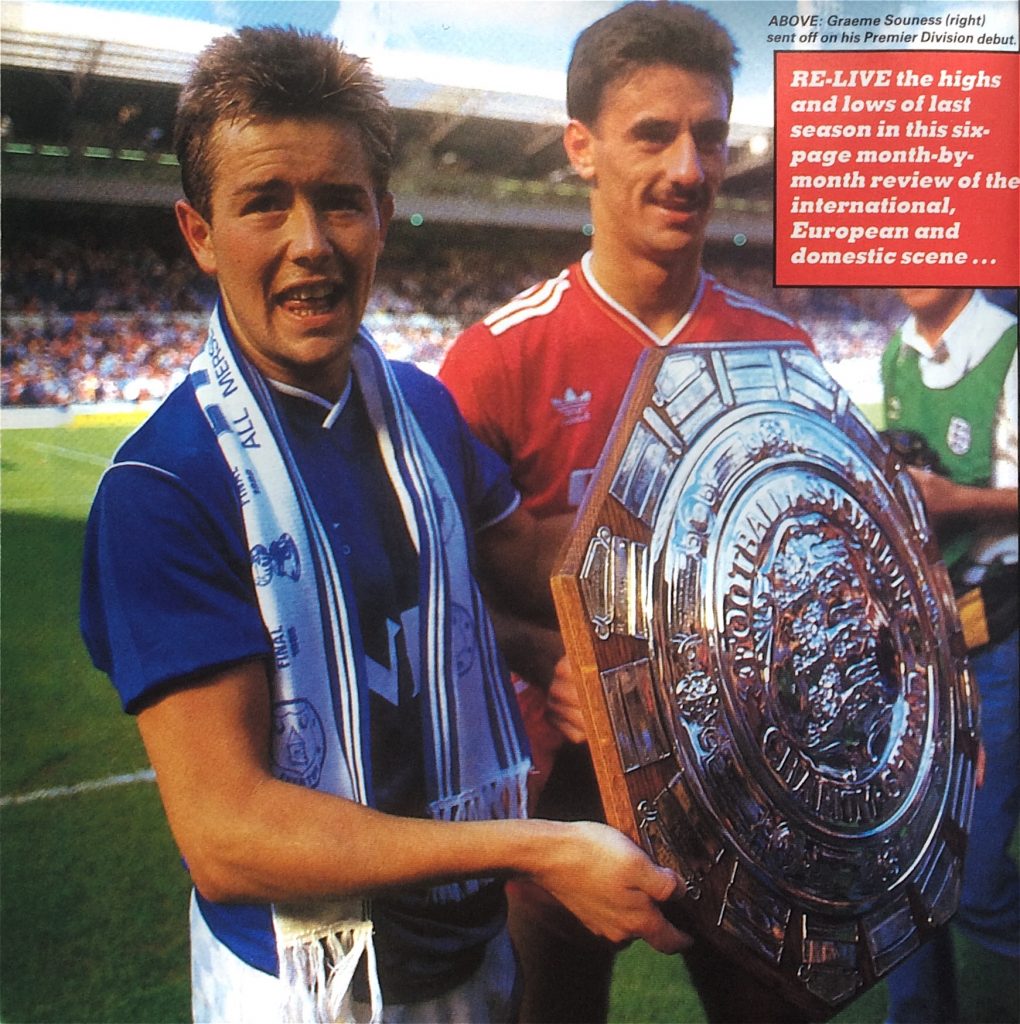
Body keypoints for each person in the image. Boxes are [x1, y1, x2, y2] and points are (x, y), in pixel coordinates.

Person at [79, 27, 690, 1023]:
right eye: (264, 201)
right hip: (304, 986)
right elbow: (228, 834)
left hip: (468, 948)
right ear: (198, 231)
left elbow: (521, 566)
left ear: (384, 218)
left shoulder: (421, 409)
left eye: (339, 200)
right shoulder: (165, 486)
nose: (309, 241)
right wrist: (536, 846)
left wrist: (558, 643)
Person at [439, 4, 815, 1021]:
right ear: (581, 147)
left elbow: (825, 572)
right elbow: (444, 593)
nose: (690, 169)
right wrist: (541, 659)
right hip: (557, 806)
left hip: (751, 794)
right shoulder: (496, 360)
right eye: (653, 133)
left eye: (711, 134)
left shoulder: (781, 356)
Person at [881, 287, 1018, 1024]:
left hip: (999, 624)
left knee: (976, 871)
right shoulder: (896, 353)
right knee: (907, 854)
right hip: (918, 630)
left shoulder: (1009, 349)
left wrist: (951, 500)